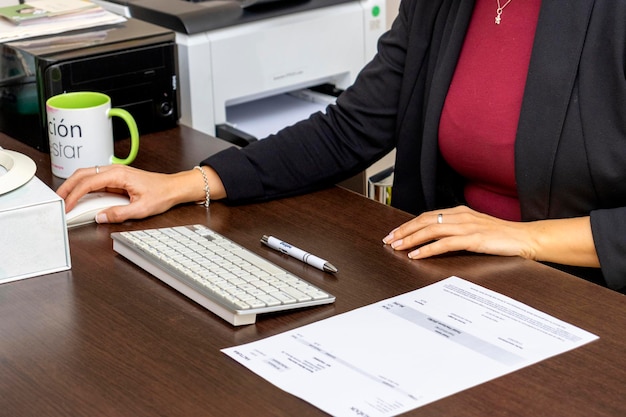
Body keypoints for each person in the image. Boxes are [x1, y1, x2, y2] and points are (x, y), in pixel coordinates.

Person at [57, 0, 626, 293]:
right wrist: (190, 183)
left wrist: (524, 239)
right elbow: (350, 127)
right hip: (453, 280)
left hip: (584, 296)